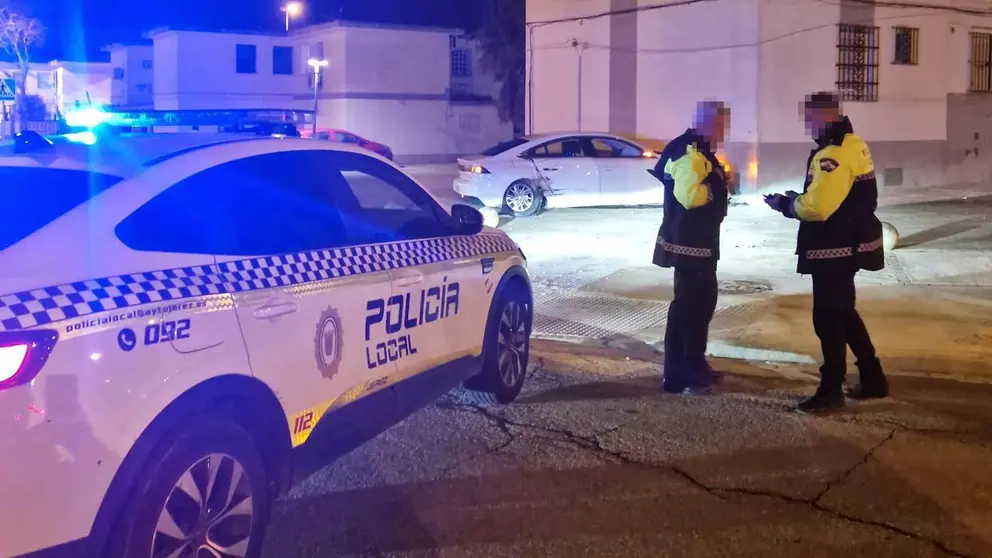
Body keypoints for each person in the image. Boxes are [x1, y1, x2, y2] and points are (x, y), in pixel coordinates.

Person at [765, 91, 889, 412]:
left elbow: (818, 207)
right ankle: (873, 376)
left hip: (834, 248)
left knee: (828, 318)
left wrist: (786, 204)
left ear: (825, 116)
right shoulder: (854, 143)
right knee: (844, 312)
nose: (807, 125)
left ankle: (831, 389)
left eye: (809, 119)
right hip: (850, 243)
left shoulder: (832, 153)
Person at [651, 101, 731, 395]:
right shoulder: (690, 152)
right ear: (706, 123)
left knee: (703, 304)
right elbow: (689, 196)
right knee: (688, 308)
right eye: (721, 125)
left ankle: (695, 364)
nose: (723, 132)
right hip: (689, 244)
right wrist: (717, 189)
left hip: (700, 243)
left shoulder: (699, 150)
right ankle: (677, 375)